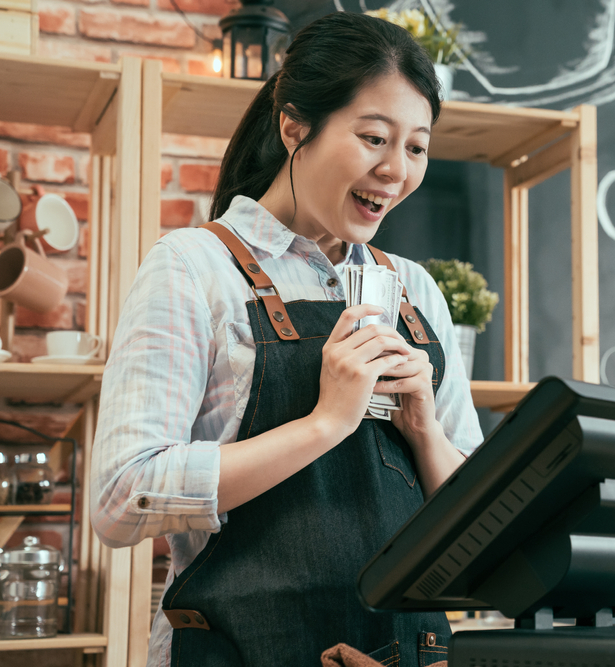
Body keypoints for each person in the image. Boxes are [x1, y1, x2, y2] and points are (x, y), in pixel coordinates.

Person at [90, 11, 484, 667]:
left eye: (415, 147)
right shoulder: (195, 266)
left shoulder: (415, 290)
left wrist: (425, 432)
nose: (396, 170)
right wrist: (326, 422)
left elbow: (478, 524)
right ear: (294, 125)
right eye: (374, 138)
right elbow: (120, 496)